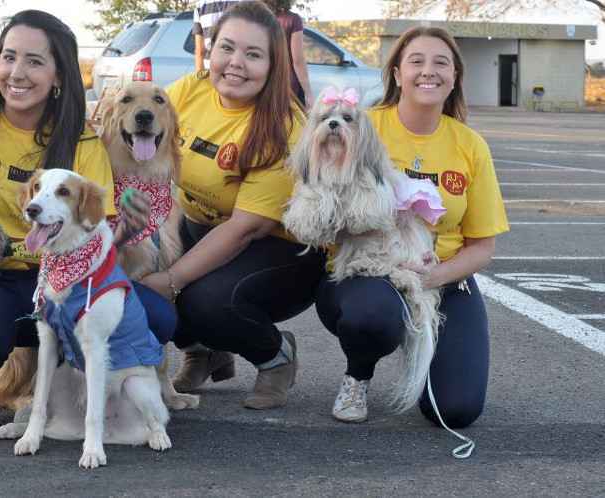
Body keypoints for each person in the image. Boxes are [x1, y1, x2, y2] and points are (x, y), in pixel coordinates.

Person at [0, 10, 169, 432]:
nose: (17, 72)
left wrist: (127, 231)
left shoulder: (81, 141)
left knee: (156, 317)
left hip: (59, 278)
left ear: (59, 75)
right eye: (8, 58)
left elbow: (95, 233)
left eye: (34, 61)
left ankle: (77, 397)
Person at [314, 26, 509, 427]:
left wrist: (431, 276)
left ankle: (426, 344)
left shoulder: (470, 145)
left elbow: (482, 246)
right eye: (416, 61)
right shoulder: (361, 125)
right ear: (397, 73)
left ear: (454, 77)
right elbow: (324, 206)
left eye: (441, 63)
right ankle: (359, 374)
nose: (428, 71)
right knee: (372, 316)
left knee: (455, 411)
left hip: (441, 275)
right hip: (369, 272)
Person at [141, 1, 324, 410]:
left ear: (273, 65)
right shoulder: (191, 90)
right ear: (212, 50)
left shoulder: (284, 127)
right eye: (227, 48)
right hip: (199, 224)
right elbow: (147, 154)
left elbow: (243, 229)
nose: (236, 63)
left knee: (195, 298)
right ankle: (205, 352)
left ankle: (275, 355)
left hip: (280, 251)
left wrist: (171, 279)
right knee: (141, 268)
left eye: (253, 54)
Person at [263, 0, 312, 108]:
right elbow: (298, 60)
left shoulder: (255, 18)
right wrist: (308, 93)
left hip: (261, 84)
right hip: (287, 87)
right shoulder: (293, 19)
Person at [192, 0, 248, 72]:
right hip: (237, 71)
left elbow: (199, 51)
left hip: (210, 72)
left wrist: (200, 78)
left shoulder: (201, 5)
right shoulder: (247, 3)